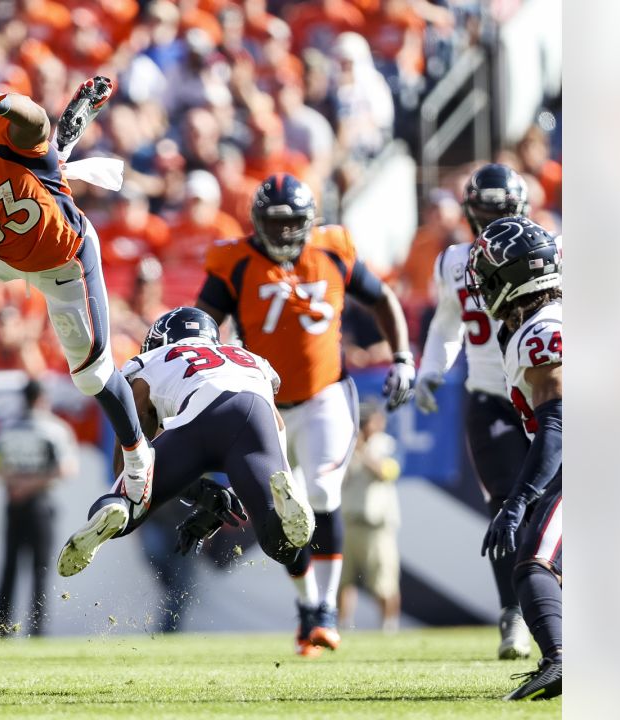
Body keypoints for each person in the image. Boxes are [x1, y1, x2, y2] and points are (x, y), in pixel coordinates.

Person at [0, 57, 155, 520]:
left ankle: (139, 455)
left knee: (93, 377)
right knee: (1, 232)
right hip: (3, 253)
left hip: (63, 259)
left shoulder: (3, 128)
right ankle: (56, 156)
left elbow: (32, 118)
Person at [196, 173, 414, 657]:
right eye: (272, 223)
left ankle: (326, 611)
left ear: (309, 221)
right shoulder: (234, 262)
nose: (281, 233)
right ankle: (309, 604)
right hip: (265, 404)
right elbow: (201, 325)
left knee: (321, 489)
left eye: (291, 222)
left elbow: (383, 299)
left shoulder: (333, 250)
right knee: (279, 509)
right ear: (256, 222)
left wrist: (402, 358)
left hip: (324, 395)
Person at [57, 307, 314, 588]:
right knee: (280, 544)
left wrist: (128, 486)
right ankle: (287, 512)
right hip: (254, 417)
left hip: (200, 419)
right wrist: (275, 471)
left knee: (129, 504)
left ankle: (112, 510)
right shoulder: (250, 359)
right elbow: (276, 424)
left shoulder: (152, 358)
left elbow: (131, 437)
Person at [414, 163, 534, 660]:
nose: (491, 223)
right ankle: (514, 614)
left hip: (546, 394)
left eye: (499, 213)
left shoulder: (551, 248)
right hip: (491, 396)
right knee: (506, 507)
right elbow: (447, 325)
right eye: (485, 213)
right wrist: (430, 369)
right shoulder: (453, 262)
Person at [468, 217, 563, 701]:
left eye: (488, 277)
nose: (482, 289)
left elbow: (560, 423)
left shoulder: (541, 331)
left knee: (533, 565)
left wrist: (518, 500)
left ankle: (561, 661)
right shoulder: (545, 321)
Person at [0, 380, 77, 638]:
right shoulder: (54, 429)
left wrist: (16, 484)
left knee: (9, 568)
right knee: (41, 569)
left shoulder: (5, 429)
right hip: (41, 503)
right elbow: (66, 468)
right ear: (41, 399)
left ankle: (0, 630)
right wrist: (31, 485)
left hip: (12, 501)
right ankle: (38, 629)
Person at [338, 403, 401, 633]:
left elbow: (388, 472)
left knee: (383, 579)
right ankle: (344, 625)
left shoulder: (387, 444)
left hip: (377, 523)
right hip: (349, 521)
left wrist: (362, 452)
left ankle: (389, 625)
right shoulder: (344, 447)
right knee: (344, 580)